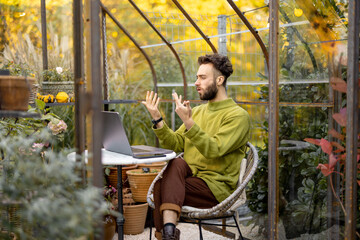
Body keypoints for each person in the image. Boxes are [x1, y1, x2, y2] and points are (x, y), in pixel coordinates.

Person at [142, 53, 251, 240]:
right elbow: (175, 143)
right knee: (176, 163)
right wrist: (157, 118)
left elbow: (214, 150)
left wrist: (189, 122)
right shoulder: (199, 111)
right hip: (191, 180)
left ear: (219, 80)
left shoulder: (237, 116)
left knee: (161, 186)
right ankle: (170, 232)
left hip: (215, 189)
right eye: (196, 77)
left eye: (202, 77)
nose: (196, 82)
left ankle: (165, 234)